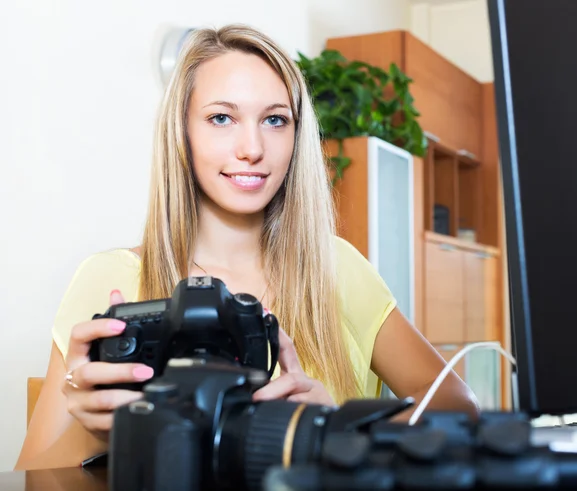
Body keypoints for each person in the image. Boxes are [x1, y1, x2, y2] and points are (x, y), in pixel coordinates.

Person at [15, 24, 479, 471]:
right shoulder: (109, 280)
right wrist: (95, 428)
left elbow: (459, 406)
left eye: (275, 120)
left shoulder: (335, 267)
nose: (252, 148)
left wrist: (337, 427)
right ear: (183, 134)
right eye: (222, 118)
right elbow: (28, 476)